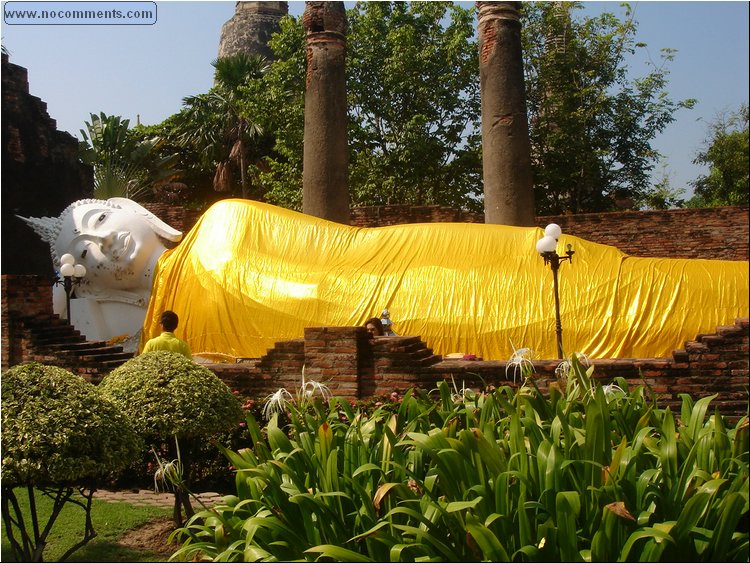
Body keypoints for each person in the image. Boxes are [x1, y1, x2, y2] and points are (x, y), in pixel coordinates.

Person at [19, 197, 183, 344]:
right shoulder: (143, 334)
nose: (105, 238)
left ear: (132, 210)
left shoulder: (206, 236)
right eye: (84, 252)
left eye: (101, 218)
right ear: (92, 288)